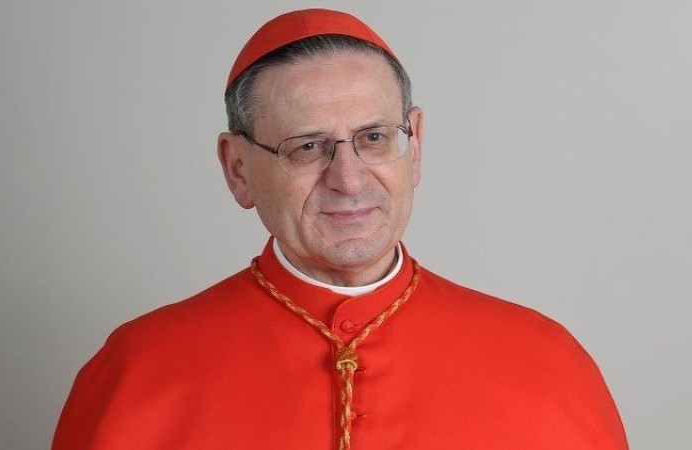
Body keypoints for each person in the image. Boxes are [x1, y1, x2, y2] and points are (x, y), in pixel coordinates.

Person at [52, 8, 628, 450]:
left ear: (415, 147)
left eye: (374, 138)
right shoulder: (138, 372)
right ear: (238, 169)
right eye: (307, 147)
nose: (348, 180)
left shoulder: (545, 361)